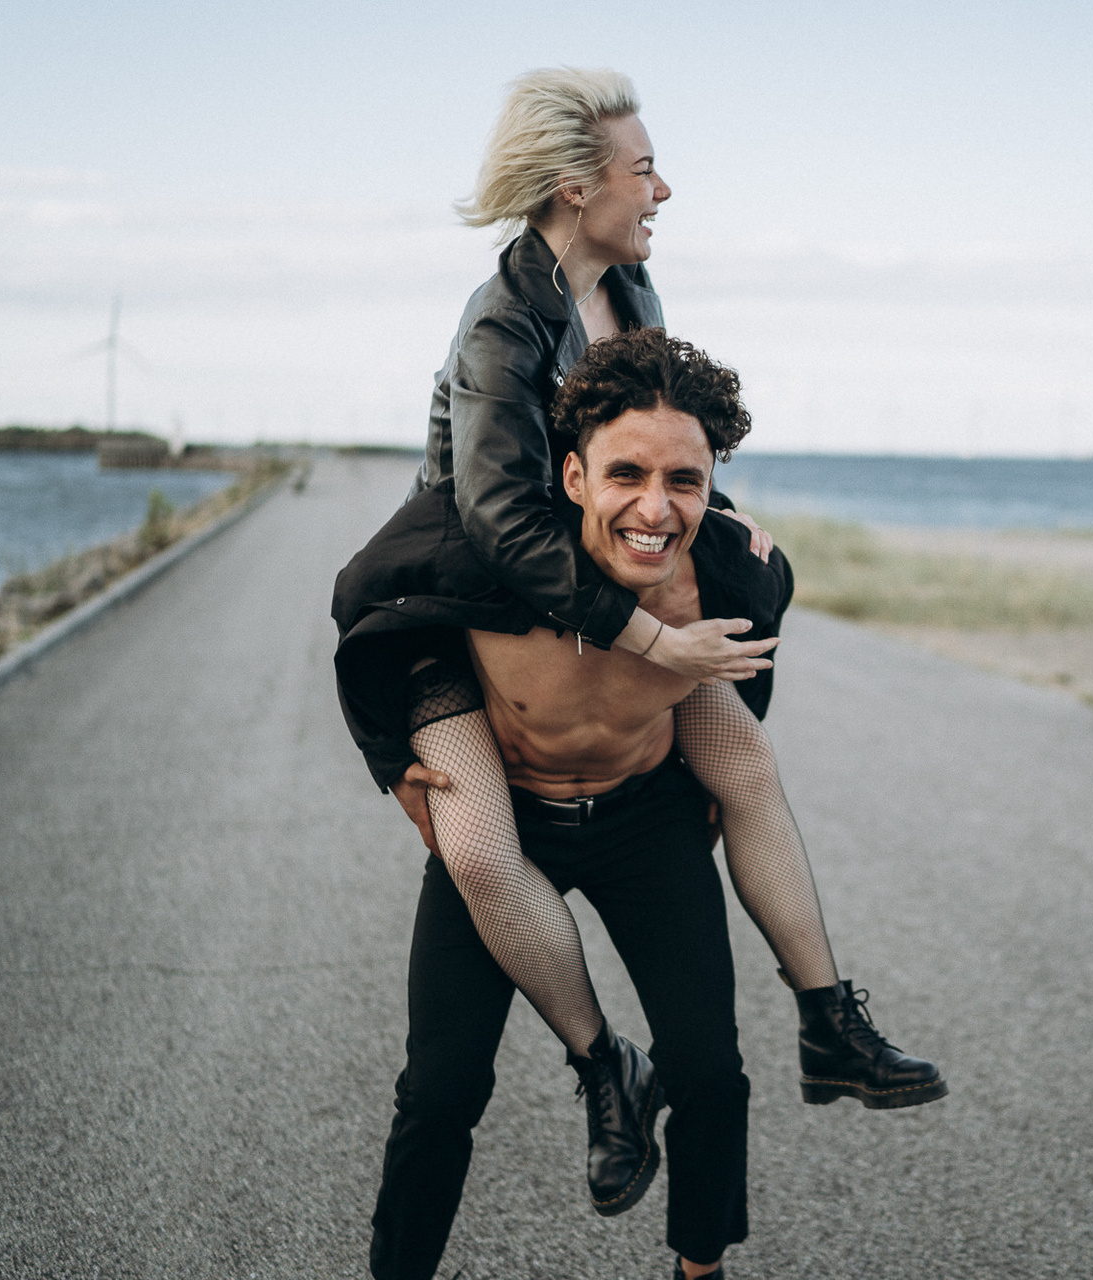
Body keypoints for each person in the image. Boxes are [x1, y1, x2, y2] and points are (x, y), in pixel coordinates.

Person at [331, 64, 942, 1237]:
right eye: (643, 167)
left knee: (745, 760)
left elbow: (652, 435)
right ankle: (602, 1059)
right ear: (576, 184)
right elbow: (505, 520)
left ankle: (827, 1018)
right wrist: (656, 632)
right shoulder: (503, 320)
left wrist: (723, 519)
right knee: (477, 850)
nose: (662, 188)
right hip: (465, 601)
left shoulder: (628, 284)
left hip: (589, 589)